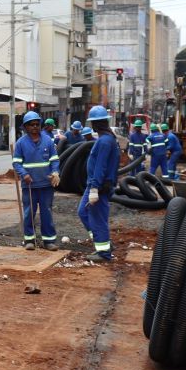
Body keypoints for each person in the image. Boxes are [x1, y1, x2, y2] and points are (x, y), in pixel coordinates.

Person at [11, 111, 61, 250]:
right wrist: (24, 174)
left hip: (46, 185)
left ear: (40, 125)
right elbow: (16, 163)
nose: (34, 127)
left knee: (47, 212)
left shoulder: (48, 141)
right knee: (29, 213)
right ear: (26, 127)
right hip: (29, 185)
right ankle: (29, 240)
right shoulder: (21, 143)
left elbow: (54, 160)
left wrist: (56, 172)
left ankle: (49, 241)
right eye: (31, 125)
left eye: (37, 124)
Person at [77, 105, 118, 262]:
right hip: (96, 185)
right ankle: (103, 243)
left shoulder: (105, 141)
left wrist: (95, 187)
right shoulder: (105, 139)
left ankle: (103, 253)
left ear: (95, 124)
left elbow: (100, 166)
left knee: (97, 219)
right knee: (83, 212)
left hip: (99, 186)